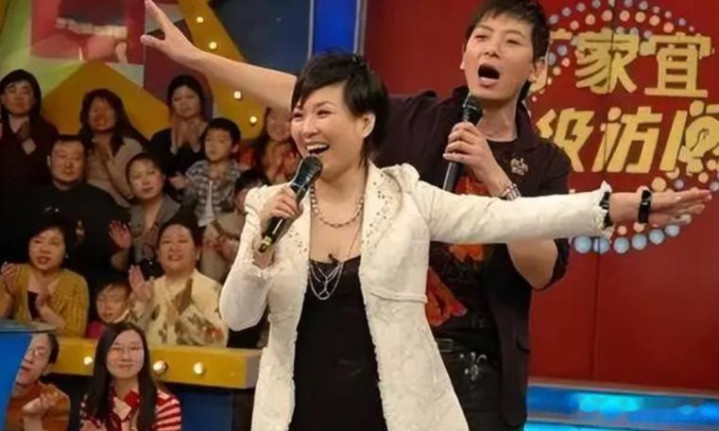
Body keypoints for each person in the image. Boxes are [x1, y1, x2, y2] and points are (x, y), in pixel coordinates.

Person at [215, 53, 708, 430]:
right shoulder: (271, 205)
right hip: (297, 414)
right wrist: (261, 250)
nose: (306, 128)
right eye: (299, 115)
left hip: (394, 415)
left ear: (365, 122)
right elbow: (237, 315)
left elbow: (509, 217)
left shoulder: (407, 197)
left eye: (323, 112)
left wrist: (624, 206)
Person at [23, 135, 124, 297]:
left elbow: (106, 258)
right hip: (34, 285)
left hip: (85, 287)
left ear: (85, 164)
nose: (68, 164)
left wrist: (80, 244)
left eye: (76, 158)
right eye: (62, 156)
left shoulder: (100, 201)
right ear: (49, 161)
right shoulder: (31, 198)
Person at [127, 214, 228, 346]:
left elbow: (219, 341)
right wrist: (143, 304)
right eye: (166, 242)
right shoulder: (145, 289)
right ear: (158, 254)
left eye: (182, 241)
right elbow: (126, 340)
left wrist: (186, 310)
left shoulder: (213, 290)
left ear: (198, 252)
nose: (174, 247)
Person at [0, 70, 59, 264]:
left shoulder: (47, 131)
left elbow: (50, 175)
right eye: (12, 90)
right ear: (2, 99)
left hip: (33, 213)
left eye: (25, 91)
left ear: (34, 100)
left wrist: (27, 142)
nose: (18, 96)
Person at [0, 212, 90, 337]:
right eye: (38, 241)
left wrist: (44, 309)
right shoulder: (13, 274)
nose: (44, 249)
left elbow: (76, 334)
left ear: (66, 250)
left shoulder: (76, 283)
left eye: (54, 243)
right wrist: (10, 295)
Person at [80, 322, 182, 430]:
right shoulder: (91, 402)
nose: (126, 357)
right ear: (103, 354)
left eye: (134, 348)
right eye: (116, 348)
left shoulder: (165, 405)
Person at [109, 152, 184, 277]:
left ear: (163, 176)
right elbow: (117, 268)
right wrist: (126, 249)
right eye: (137, 177)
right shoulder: (125, 217)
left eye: (151, 173)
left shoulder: (180, 213)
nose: (145, 181)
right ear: (129, 185)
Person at [79, 88, 145, 208]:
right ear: (86, 116)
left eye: (107, 109)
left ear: (117, 114)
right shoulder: (79, 146)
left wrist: (107, 160)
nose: (101, 115)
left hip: (123, 211)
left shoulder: (131, 146)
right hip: (87, 208)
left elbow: (131, 193)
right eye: (95, 110)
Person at [200, 169, 270, 282]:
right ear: (236, 198)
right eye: (246, 193)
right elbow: (209, 278)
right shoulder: (216, 229)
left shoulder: (274, 229)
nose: (252, 199)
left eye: (260, 194)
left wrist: (237, 258)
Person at [147, 74, 209, 195]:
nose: (184, 104)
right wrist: (173, 149)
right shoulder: (160, 138)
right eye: (177, 99)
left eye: (190, 97)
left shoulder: (216, 133)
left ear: (200, 100)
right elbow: (153, 172)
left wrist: (196, 147)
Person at [4, 331, 70, 431]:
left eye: (40, 353)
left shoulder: (54, 400)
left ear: (48, 368)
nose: (28, 358)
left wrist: (32, 418)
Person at [183, 117, 243, 227]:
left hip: (225, 228)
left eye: (221, 141)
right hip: (196, 226)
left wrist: (223, 183)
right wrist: (186, 186)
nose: (212, 145)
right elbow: (187, 204)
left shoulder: (238, 174)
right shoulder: (196, 169)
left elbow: (232, 207)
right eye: (208, 140)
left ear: (234, 147)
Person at [239, 107, 298, 184]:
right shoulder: (250, 152)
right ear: (266, 118)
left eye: (288, 120)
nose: (279, 125)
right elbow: (246, 187)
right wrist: (274, 167)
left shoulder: (300, 154)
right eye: (274, 117)